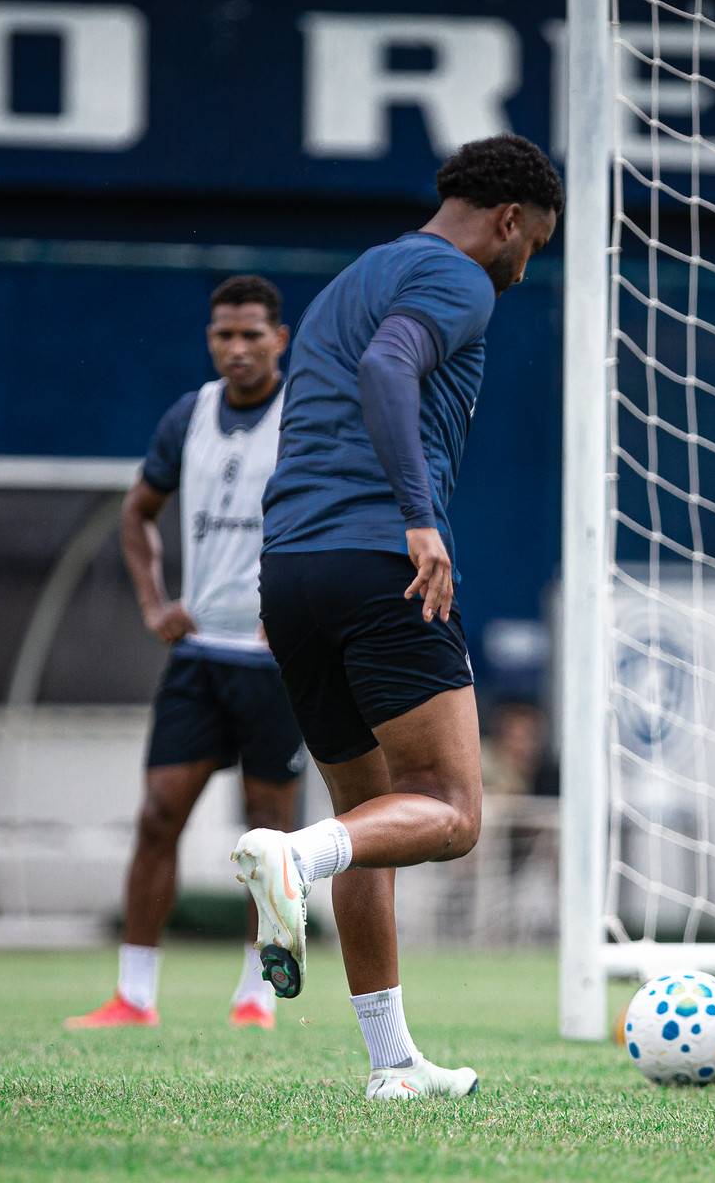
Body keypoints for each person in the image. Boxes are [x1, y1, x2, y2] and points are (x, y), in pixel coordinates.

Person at [228, 134, 561, 1100]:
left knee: (369, 815)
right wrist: (420, 518)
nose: (524, 265)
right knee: (452, 812)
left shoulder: (355, 276)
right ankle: (293, 856)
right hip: (381, 562)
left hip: (291, 572)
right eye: (532, 242)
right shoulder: (456, 277)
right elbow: (388, 368)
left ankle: (393, 1062)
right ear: (507, 220)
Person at [66, 275, 304, 1033]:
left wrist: (302, 609)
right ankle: (134, 995)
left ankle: (255, 995)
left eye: (252, 335)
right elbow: (138, 513)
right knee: (158, 815)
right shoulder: (189, 415)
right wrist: (152, 601)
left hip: (277, 666)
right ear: (210, 340)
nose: (237, 349)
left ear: (280, 339)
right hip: (199, 657)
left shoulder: (305, 416)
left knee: (268, 837)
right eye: (223, 335)